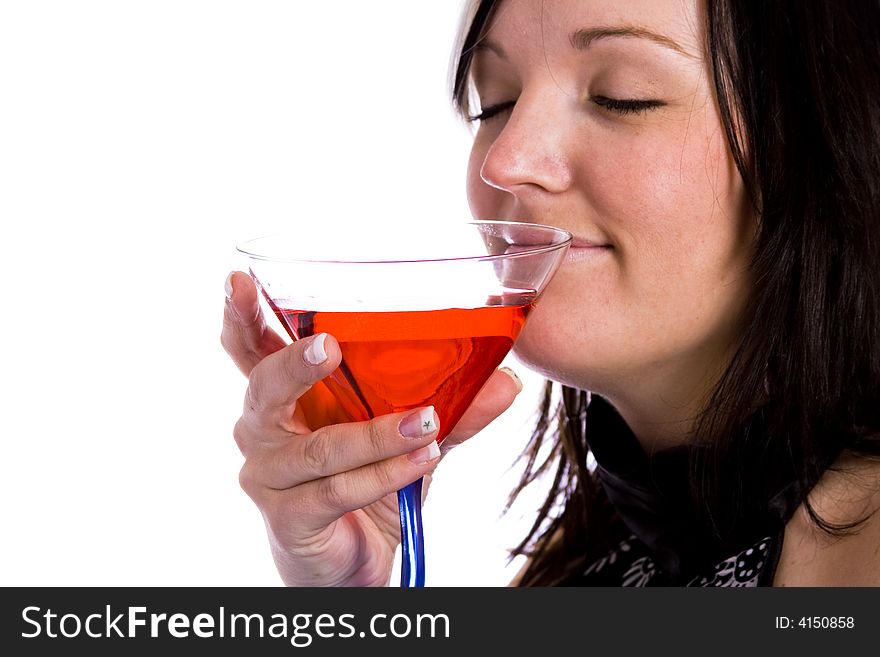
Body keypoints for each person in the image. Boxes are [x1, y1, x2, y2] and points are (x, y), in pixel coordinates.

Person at [221, 0, 880, 586]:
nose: (505, 158)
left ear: (819, 141)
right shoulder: (585, 562)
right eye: (497, 102)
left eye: (623, 96)